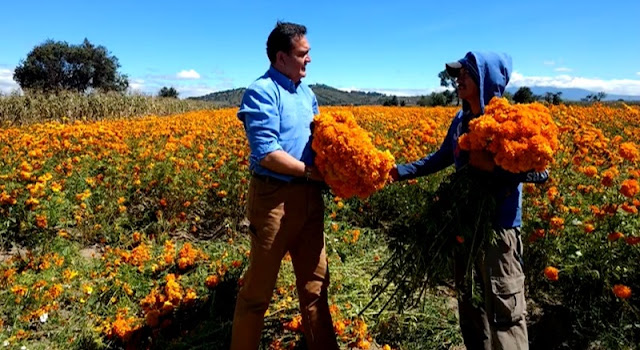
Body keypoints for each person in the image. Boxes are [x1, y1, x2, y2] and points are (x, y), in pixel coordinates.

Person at [390, 52, 549, 350]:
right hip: (464, 227)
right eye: (457, 73)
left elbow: (541, 172)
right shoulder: (461, 120)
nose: (458, 78)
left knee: (506, 311)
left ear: (487, 79)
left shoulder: (512, 121)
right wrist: (399, 172)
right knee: (470, 304)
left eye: (466, 73)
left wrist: (497, 168)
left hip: (498, 230)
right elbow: (440, 158)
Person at [230, 22, 339, 350]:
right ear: (281, 57)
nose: (309, 60)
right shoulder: (262, 92)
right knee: (257, 292)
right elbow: (267, 154)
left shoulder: (307, 94)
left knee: (316, 286)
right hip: (274, 201)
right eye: (303, 54)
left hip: (309, 197)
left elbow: (321, 140)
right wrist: (311, 172)